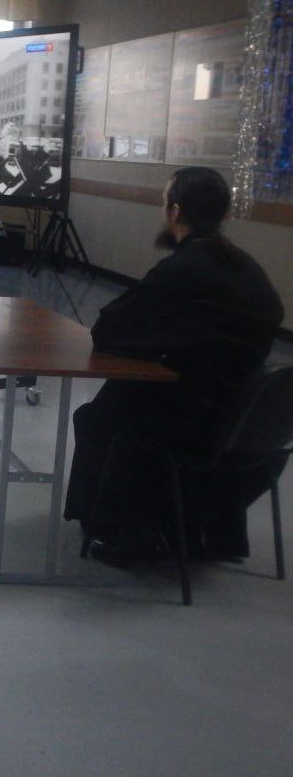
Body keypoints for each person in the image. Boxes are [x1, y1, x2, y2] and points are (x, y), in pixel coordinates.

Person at [63, 167, 285, 565]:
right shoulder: (249, 271)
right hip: (246, 423)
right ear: (224, 215)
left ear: (175, 212)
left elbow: (112, 328)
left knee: (100, 415)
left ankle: (124, 530)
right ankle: (192, 527)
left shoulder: (185, 270)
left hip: (195, 423)